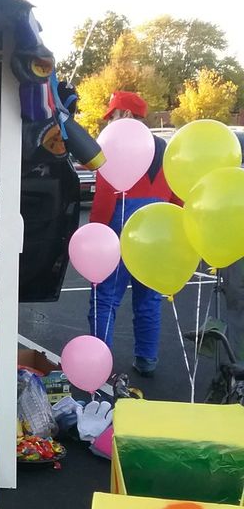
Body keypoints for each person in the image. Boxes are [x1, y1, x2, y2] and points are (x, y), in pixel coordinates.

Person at [87, 91, 180, 377]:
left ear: (125, 115)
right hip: (157, 232)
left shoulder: (114, 147)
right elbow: (178, 197)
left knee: (104, 299)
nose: (109, 122)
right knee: (149, 299)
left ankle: (100, 364)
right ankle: (146, 360)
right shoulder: (166, 149)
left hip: (121, 229)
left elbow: (104, 198)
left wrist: (95, 235)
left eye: (112, 115)